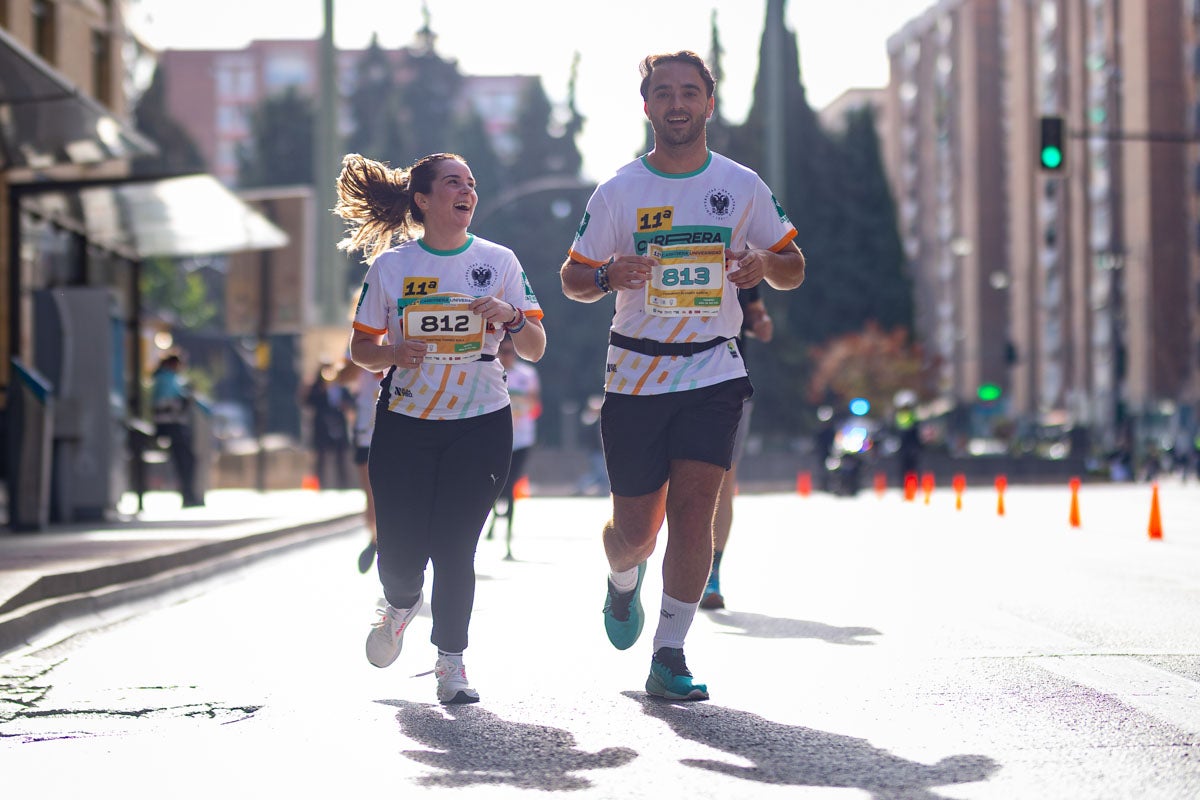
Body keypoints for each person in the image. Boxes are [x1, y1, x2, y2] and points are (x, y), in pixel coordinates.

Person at [559, 51, 805, 701]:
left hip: (712, 368)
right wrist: (612, 274)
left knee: (694, 515)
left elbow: (793, 265)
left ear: (708, 105)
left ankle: (669, 653)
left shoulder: (742, 185)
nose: (677, 103)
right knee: (635, 532)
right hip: (635, 370)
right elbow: (572, 278)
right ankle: (621, 580)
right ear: (646, 107)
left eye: (689, 92)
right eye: (663, 92)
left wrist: (760, 266)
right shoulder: (619, 191)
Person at [335, 151, 546, 705]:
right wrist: (391, 351)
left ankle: (451, 663)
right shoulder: (391, 268)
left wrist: (511, 317)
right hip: (406, 423)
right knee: (400, 555)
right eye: (454, 182)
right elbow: (359, 349)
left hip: (481, 422)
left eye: (472, 183)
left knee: (456, 547)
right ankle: (400, 603)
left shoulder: (499, 261)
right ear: (424, 200)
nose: (467, 190)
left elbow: (536, 347)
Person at [702, 287, 773, 610]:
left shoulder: (740, 250)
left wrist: (761, 321)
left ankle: (710, 574)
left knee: (722, 480)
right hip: (662, 377)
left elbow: (755, 309)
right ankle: (640, 558)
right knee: (662, 482)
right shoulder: (656, 238)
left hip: (728, 383)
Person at [486, 335, 541, 560]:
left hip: (521, 440)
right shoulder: (490, 372)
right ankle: (492, 520)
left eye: (510, 352)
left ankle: (507, 540)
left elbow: (536, 404)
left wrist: (520, 407)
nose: (506, 356)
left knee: (509, 488)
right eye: (502, 351)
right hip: (496, 439)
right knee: (494, 486)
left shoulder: (527, 375)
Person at [341, 359, 384, 573]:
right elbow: (342, 377)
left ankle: (389, 544)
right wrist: (372, 355)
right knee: (372, 499)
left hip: (398, 433)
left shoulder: (404, 330)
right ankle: (376, 539)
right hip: (366, 435)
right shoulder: (363, 338)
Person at [151, 353, 202, 508]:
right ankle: (188, 495)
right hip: (172, 426)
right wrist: (185, 400)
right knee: (185, 460)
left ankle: (189, 494)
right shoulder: (167, 379)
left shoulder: (166, 379)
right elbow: (166, 404)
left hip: (173, 425)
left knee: (187, 460)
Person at [304, 360, 353, 490]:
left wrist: (345, 405)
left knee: (341, 457)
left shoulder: (340, 387)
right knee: (321, 458)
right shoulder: (317, 387)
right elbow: (307, 401)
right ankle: (321, 486)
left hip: (338, 425)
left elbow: (350, 401)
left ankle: (343, 486)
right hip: (322, 426)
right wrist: (319, 389)